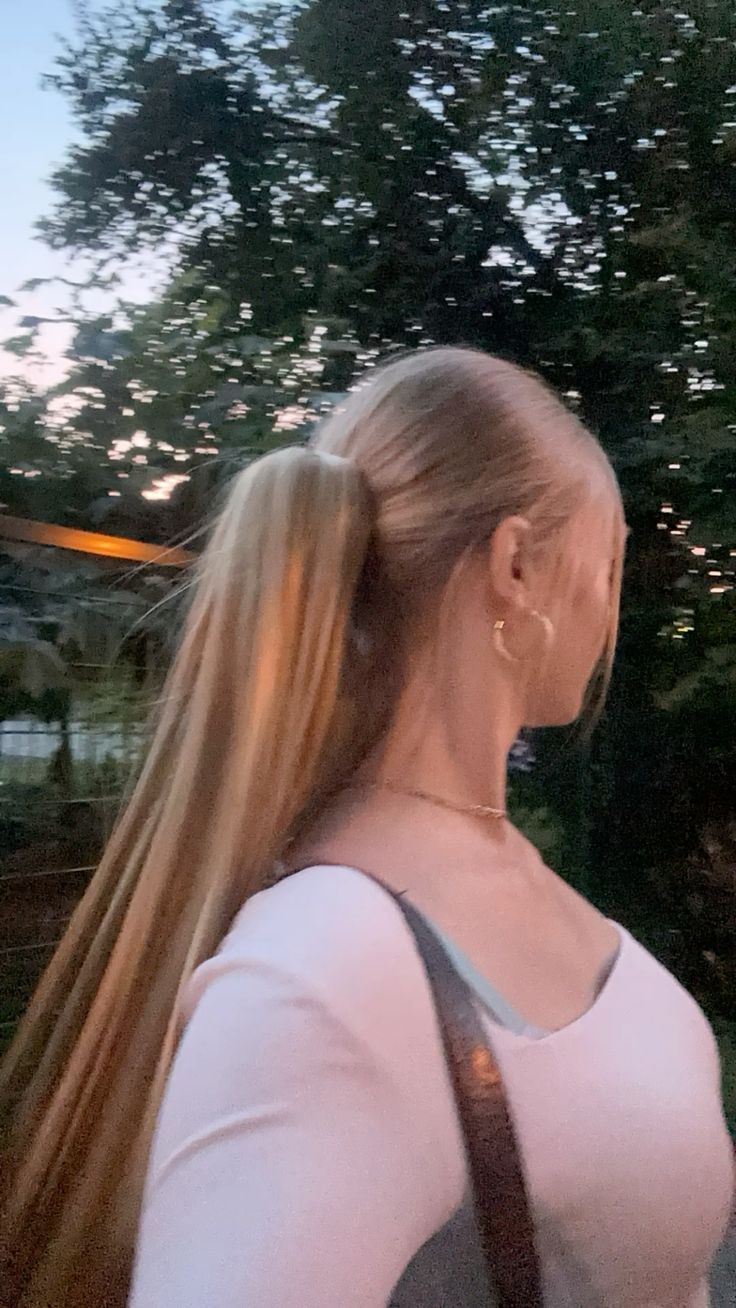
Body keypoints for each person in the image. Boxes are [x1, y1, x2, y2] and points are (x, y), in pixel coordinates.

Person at [1, 348, 733, 1308]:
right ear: (516, 566)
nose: (609, 606)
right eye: (608, 563)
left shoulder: (470, 882)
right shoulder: (327, 971)